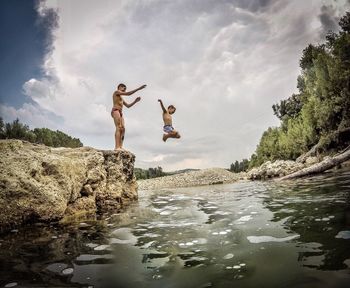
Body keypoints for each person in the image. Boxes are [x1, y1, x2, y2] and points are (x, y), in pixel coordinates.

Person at [112, 83, 146, 150]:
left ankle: (121, 146)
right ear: (119, 87)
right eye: (123, 87)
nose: (124, 88)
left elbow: (128, 106)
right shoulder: (116, 92)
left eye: (125, 88)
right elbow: (128, 94)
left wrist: (135, 101)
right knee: (118, 127)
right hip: (115, 111)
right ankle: (117, 147)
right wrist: (139, 88)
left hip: (120, 113)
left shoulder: (121, 98)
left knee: (123, 129)